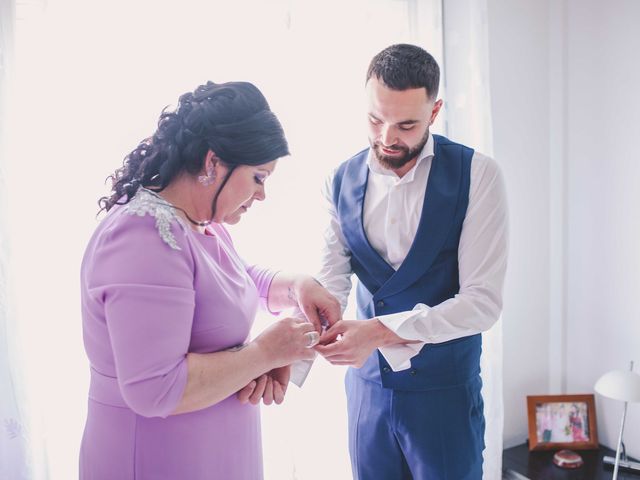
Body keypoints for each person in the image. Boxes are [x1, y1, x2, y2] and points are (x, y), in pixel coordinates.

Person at [79, 80, 340, 480]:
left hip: (211, 455)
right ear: (213, 162)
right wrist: (264, 354)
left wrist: (295, 287)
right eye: (258, 177)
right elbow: (155, 389)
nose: (262, 195)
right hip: (158, 458)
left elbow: (226, 281)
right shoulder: (144, 235)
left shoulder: (197, 220)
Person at [314, 44, 509, 479]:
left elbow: (482, 303)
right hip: (367, 394)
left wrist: (380, 331)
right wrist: (292, 351)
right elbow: (330, 284)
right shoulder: (338, 180)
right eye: (375, 119)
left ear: (435, 111)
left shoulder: (478, 175)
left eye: (406, 124)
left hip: (444, 396)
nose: (387, 138)